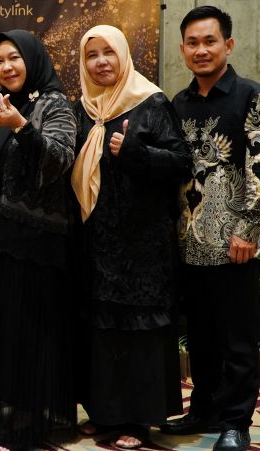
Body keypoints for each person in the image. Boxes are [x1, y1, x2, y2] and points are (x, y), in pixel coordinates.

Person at [163, 6, 260, 451]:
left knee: (237, 339)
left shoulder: (254, 96)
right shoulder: (178, 103)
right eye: (192, 43)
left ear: (227, 45)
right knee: (202, 338)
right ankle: (204, 409)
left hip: (235, 242)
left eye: (209, 41)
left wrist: (249, 229)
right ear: (182, 49)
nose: (201, 50)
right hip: (191, 241)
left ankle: (236, 423)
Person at [70, 25, 191, 449]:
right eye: (92, 55)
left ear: (123, 55)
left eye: (108, 52)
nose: (101, 62)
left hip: (143, 244)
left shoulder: (150, 102)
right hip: (97, 241)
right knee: (103, 327)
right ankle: (105, 414)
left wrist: (136, 153)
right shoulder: (84, 109)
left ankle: (138, 420)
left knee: (139, 330)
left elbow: (182, 162)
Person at [0, 30, 77, 450]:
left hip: (36, 241)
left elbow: (61, 158)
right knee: (1, 326)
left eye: (14, 58)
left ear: (33, 59)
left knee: (31, 328)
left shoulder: (55, 104)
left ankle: (32, 415)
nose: (6, 67)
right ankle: (3, 408)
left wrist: (22, 128)